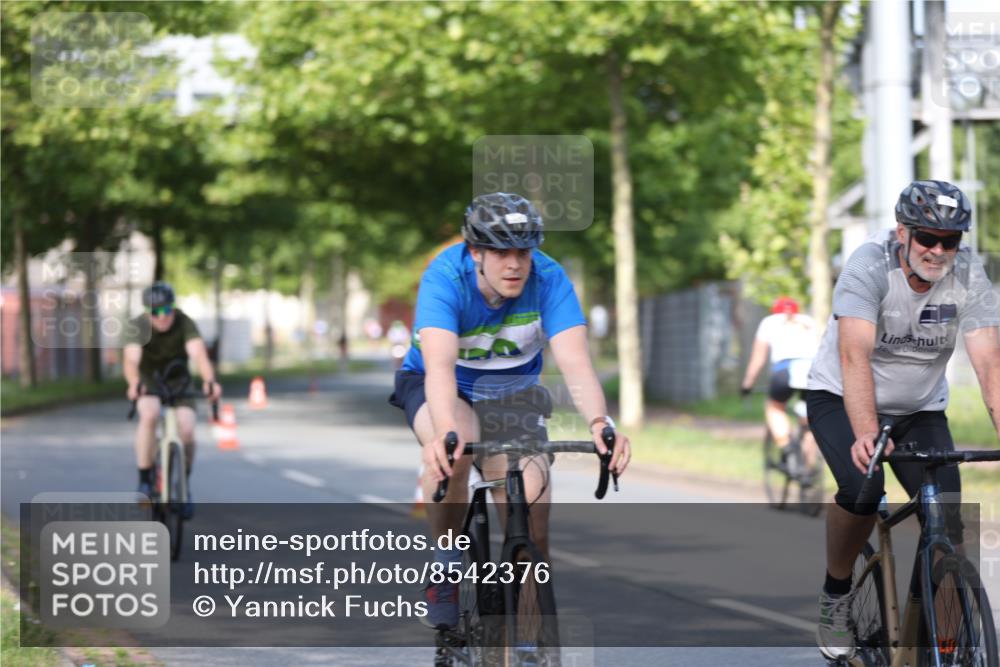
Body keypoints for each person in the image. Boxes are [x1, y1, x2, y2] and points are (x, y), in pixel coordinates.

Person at [388, 192, 631, 630]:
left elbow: (576, 363)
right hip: (441, 386)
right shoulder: (445, 277)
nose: (515, 264)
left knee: (534, 518)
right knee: (457, 446)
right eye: (501, 252)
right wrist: (444, 431)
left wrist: (600, 423)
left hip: (513, 395)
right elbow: (439, 368)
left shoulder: (549, 279)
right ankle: (445, 565)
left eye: (524, 252)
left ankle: (531, 645)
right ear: (475, 252)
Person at [805, 180, 1000, 660]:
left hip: (919, 409)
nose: (938, 251)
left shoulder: (969, 274)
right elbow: (854, 355)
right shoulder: (868, 265)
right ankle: (836, 593)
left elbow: (990, 364)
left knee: (949, 522)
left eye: (950, 241)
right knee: (864, 488)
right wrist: (867, 433)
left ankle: (946, 647)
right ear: (902, 233)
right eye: (927, 238)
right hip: (841, 399)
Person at [123, 281, 222, 518]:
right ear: (147, 312)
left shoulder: (184, 322)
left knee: (186, 429)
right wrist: (134, 383)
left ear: (173, 307)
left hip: (179, 381)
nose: (162, 316)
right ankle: (145, 478)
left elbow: (198, 354)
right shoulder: (138, 326)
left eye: (167, 310)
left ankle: (183, 486)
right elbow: (131, 360)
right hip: (149, 381)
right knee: (149, 414)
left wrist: (210, 381)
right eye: (155, 312)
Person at [741, 297, 820, 467]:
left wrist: (747, 385)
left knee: (774, 408)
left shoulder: (769, 322)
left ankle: (787, 447)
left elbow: (758, 359)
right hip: (813, 372)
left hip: (785, 371)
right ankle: (808, 470)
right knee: (808, 420)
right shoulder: (808, 321)